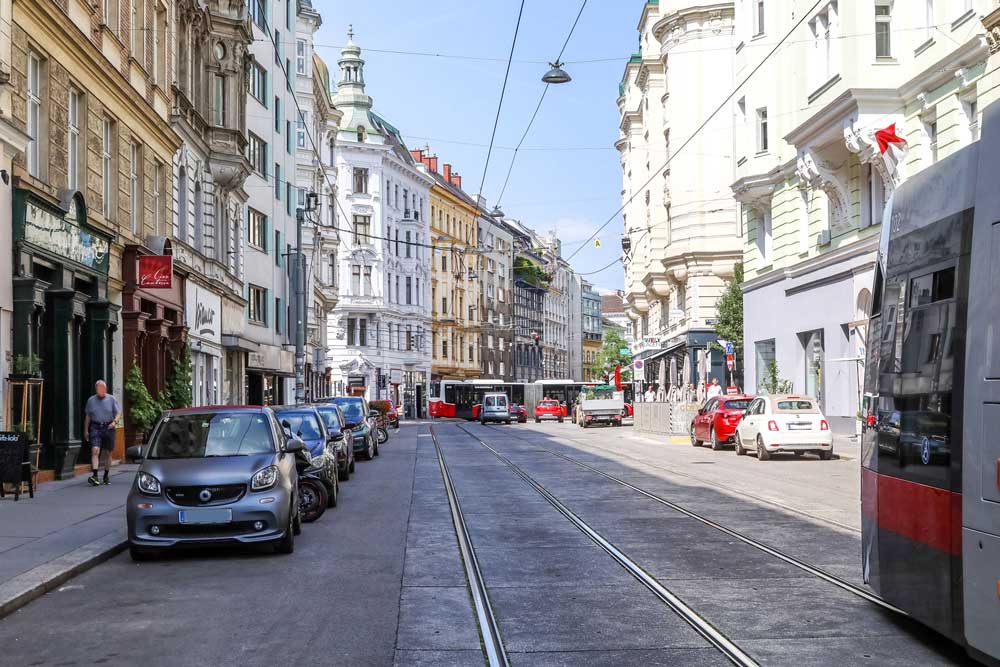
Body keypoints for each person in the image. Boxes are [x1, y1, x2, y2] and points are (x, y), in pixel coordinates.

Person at [83, 380, 121, 486]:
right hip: (95, 427)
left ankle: (106, 475)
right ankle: (95, 475)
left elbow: (118, 413)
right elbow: (88, 416)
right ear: (96, 389)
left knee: (108, 453)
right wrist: (86, 430)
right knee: (95, 450)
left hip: (109, 427)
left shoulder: (111, 399)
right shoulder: (91, 400)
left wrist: (114, 422)